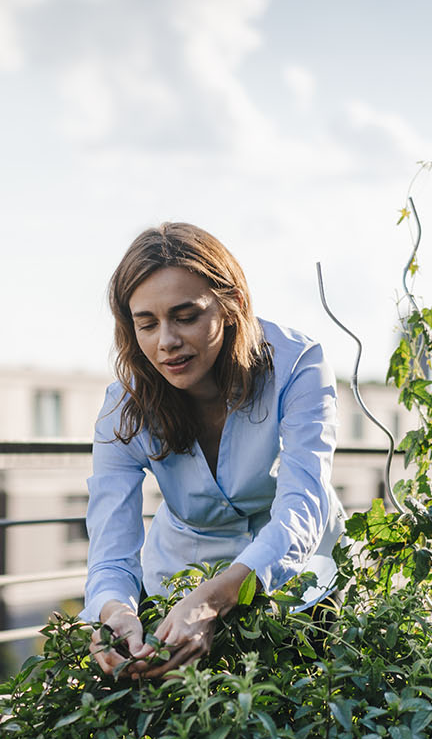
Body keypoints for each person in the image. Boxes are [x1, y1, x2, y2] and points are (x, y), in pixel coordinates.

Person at [81, 222, 344, 679]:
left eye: (185, 317)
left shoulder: (298, 364)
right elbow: (111, 545)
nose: (166, 341)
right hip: (178, 584)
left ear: (232, 305)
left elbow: (302, 505)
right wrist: (115, 612)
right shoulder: (123, 405)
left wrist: (215, 599)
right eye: (147, 324)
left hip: (298, 579)